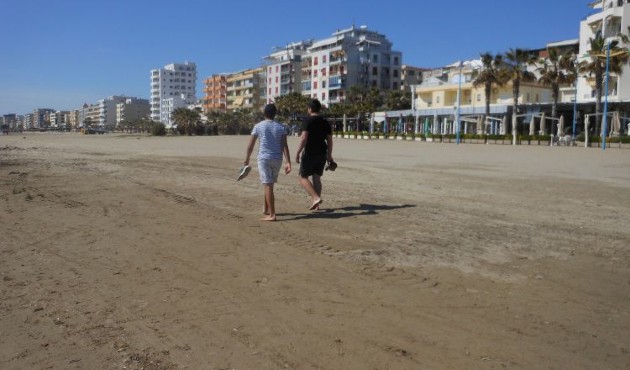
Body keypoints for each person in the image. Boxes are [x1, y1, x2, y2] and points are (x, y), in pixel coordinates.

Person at [244, 104, 291, 221]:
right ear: (275, 114)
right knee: (269, 184)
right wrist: (288, 162)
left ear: (264, 113)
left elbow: (251, 145)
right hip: (277, 159)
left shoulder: (258, 126)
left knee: (267, 184)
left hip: (264, 158)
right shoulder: (280, 127)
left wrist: (247, 158)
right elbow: (284, 145)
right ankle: (266, 208)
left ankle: (272, 214)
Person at [295, 99, 334, 211]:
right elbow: (330, 141)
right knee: (317, 178)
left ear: (310, 109)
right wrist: (329, 156)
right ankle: (317, 205)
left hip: (310, 153)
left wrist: (297, 153)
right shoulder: (325, 122)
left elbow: (304, 138)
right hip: (322, 153)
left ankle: (315, 198)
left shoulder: (308, 120)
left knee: (302, 177)